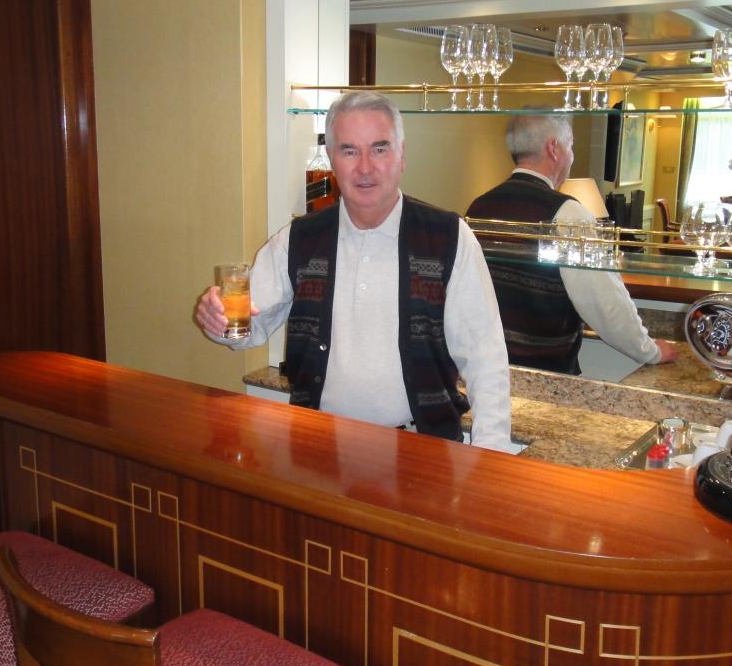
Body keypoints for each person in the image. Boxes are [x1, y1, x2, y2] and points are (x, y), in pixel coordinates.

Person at [195, 91, 512, 451]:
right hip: (317, 450)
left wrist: (492, 457)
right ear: (331, 159)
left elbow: (486, 359)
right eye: (349, 150)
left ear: (402, 155)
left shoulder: (448, 237)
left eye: (379, 148)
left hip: (422, 452)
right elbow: (246, 329)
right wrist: (218, 320)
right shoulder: (299, 239)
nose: (365, 167)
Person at [466, 113, 678, 375]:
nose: (572, 157)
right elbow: (606, 304)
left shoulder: (478, 207)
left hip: (484, 371)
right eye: (571, 147)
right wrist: (651, 350)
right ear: (554, 148)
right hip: (545, 376)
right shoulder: (567, 215)